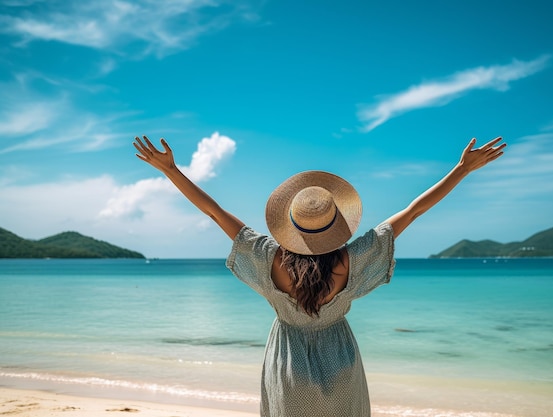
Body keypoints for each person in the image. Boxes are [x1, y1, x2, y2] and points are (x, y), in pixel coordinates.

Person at [133, 135, 505, 417]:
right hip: (341, 360)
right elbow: (413, 211)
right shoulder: (354, 259)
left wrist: (170, 169)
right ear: (336, 224)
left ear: (289, 225)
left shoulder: (267, 257)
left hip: (288, 364)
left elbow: (214, 212)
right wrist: (461, 169)